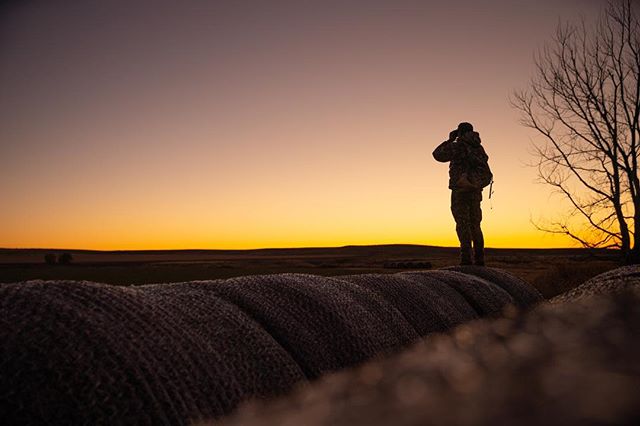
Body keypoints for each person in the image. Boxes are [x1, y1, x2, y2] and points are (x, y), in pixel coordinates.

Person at [432, 122, 489, 266]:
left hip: (461, 190)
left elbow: (437, 154)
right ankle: (480, 259)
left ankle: (466, 260)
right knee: (476, 225)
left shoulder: (458, 146)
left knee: (463, 224)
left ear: (460, 133)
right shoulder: (479, 148)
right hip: (475, 191)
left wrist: (450, 139)